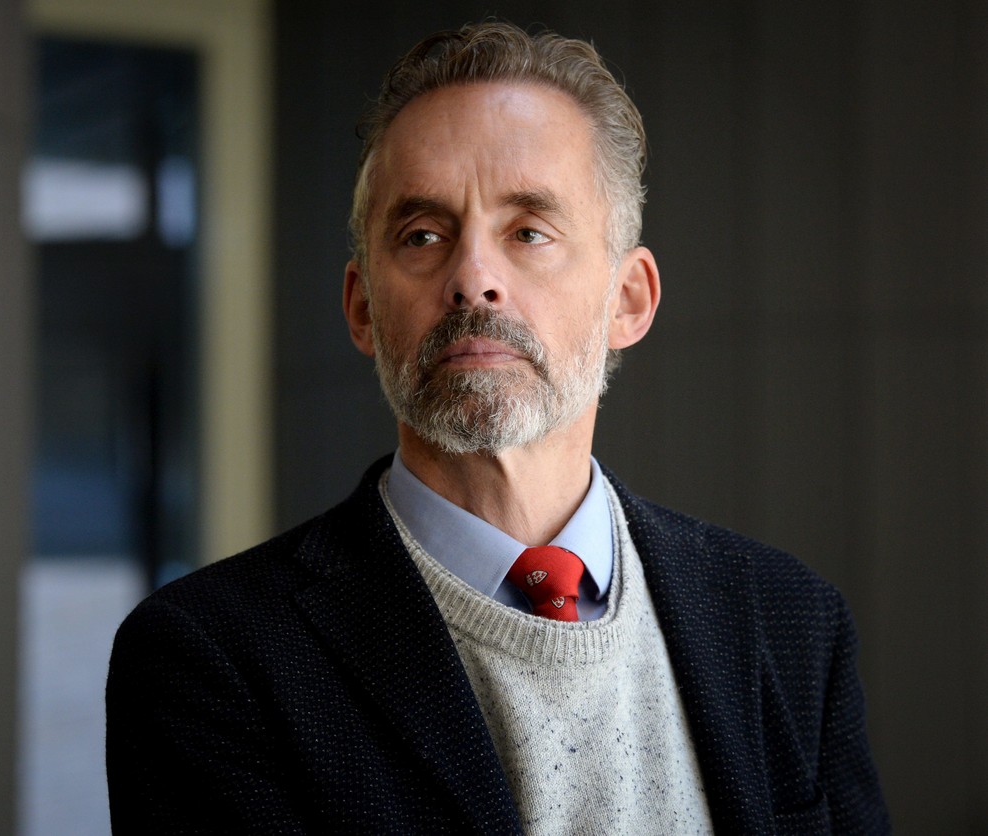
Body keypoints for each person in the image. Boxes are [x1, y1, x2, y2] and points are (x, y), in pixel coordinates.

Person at [106, 21, 889, 834]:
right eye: (422, 235)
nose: (473, 278)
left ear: (628, 300)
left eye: (529, 232)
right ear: (363, 308)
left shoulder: (791, 623)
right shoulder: (210, 658)